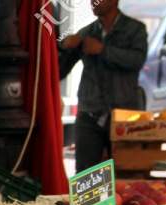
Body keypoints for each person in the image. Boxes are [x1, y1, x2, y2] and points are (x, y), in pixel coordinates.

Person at [59, 0, 148, 173]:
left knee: (126, 171)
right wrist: (63, 46)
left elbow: (137, 60)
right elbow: (59, 71)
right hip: (89, 113)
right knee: (86, 175)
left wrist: (103, 50)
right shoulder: (87, 32)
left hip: (123, 112)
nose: (93, 2)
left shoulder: (135, 29)